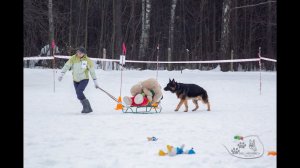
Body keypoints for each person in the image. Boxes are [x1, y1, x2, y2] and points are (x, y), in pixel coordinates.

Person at [57, 47, 100, 113]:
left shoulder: (88, 60)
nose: (79, 54)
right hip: (75, 80)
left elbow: (92, 71)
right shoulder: (73, 58)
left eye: (80, 53)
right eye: (78, 52)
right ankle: (88, 108)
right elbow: (67, 66)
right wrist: (62, 74)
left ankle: (86, 108)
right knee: (78, 94)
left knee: (79, 92)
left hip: (84, 79)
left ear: (84, 54)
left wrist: (95, 81)